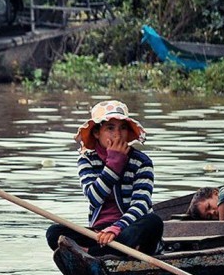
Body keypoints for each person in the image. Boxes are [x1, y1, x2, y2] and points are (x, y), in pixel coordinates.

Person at [45, 100, 163, 256]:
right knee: (54, 233)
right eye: (110, 128)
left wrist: (117, 228)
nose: (118, 134)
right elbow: (94, 197)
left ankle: (92, 254)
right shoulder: (87, 161)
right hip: (99, 235)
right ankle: (107, 252)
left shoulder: (142, 162)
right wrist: (113, 165)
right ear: (96, 133)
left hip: (129, 230)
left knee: (153, 222)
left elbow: (140, 205)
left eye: (123, 128)